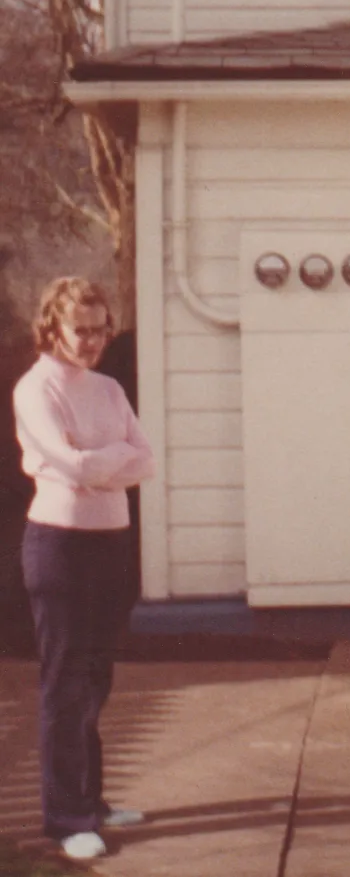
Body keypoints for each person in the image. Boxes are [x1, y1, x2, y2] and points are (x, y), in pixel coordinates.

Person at [13, 277, 156, 861]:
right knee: (65, 682)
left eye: (102, 329)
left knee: (95, 679)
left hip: (109, 545)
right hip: (60, 547)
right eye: (82, 330)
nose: (94, 340)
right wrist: (107, 461)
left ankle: (90, 802)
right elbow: (66, 465)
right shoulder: (35, 387)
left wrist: (99, 462)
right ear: (54, 327)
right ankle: (65, 817)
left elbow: (144, 459)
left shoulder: (108, 387)